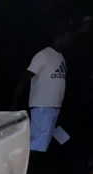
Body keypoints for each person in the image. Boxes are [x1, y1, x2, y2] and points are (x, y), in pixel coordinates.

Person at [13, 22, 75, 156]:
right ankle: (28, 173)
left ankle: (34, 171)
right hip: (42, 106)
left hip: (54, 106)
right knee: (37, 144)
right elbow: (26, 78)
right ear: (61, 37)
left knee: (44, 141)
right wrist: (15, 103)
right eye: (69, 37)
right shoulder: (44, 55)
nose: (71, 40)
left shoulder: (60, 57)